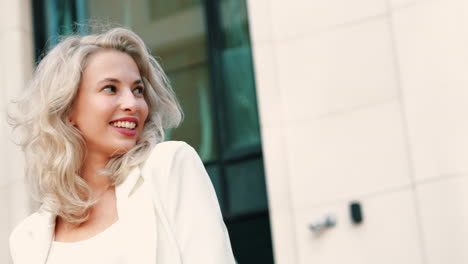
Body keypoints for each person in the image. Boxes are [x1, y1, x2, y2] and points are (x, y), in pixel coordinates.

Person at [8, 27, 236, 264]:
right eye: (110, 88)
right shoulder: (27, 240)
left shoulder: (168, 166)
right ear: (67, 111)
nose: (132, 103)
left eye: (138, 90)